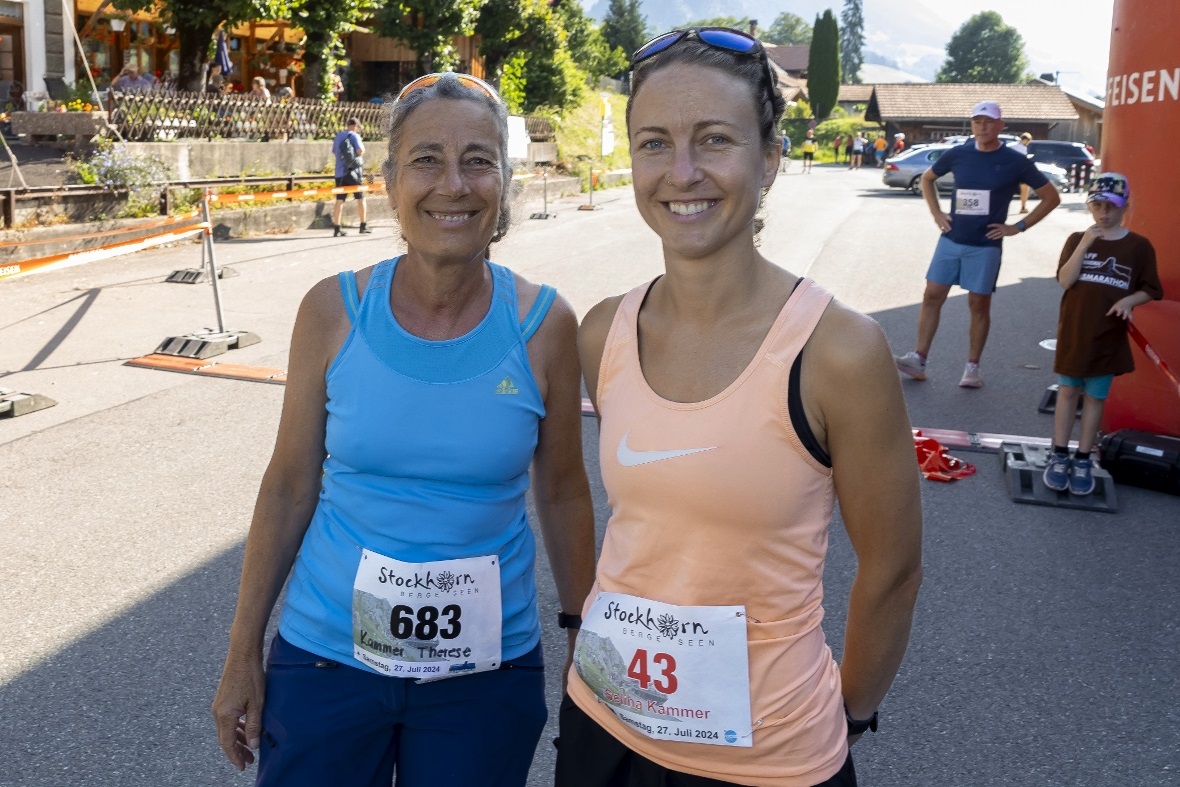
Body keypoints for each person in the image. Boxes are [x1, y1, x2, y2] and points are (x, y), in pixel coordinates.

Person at [556, 27, 923, 787]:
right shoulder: (604, 331)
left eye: (713, 140)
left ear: (771, 158)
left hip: (767, 758)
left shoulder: (838, 350)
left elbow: (892, 568)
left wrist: (844, 714)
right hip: (604, 719)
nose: (681, 172)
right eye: (654, 143)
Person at [211, 72, 597, 787]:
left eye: (478, 159)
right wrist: (243, 649)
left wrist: (583, 635)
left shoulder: (546, 325)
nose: (453, 184)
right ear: (389, 181)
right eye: (426, 159)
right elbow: (291, 484)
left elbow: (567, 491)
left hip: (484, 671)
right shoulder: (333, 311)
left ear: (505, 181)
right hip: (327, 657)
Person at [894, 101, 1062, 388]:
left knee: (978, 304)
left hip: (985, 245)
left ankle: (972, 368)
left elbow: (1051, 197)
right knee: (932, 295)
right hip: (951, 238)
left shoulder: (1015, 161)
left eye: (988, 122)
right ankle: (918, 359)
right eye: (976, 122)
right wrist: (936, 213)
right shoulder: (958, 154)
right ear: (971, 125)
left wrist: (1018, 226)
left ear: (1000, 125)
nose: (982, 127)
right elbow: (927, 178)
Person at [1042, 174, 1163, 495]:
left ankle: (1082, 457)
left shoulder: (1138, 246)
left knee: (1095, 396)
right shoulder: (1075, 239)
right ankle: (1059, 454)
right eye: (1097, 206)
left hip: (1108, 335)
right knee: (1068, 392)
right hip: (1075, 332)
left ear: (1125, 207)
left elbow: (1151, 289)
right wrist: (1084, 244)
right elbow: (1065, 280)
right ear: (1089, 206)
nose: (1103, 213)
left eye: (1111, 206)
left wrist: (1129, 300)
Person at [331, 117, 369, 236]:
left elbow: (334, 152)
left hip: (339, 173)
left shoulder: (338, 136)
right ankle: (363, 225)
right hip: (354, 173)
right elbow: (360, 151)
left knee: (339, 200)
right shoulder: (354, 136)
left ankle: (337, 228)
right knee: (361, 198)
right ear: (356, 126)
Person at [1013, 132, 1033, 213]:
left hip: (1009, 171)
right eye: (1028, 142)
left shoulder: (1011, 146)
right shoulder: (1022, 148)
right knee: (1025, 189)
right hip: (1019, 171)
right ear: (1025, 140)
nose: (1028, 144)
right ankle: (1023, 207)